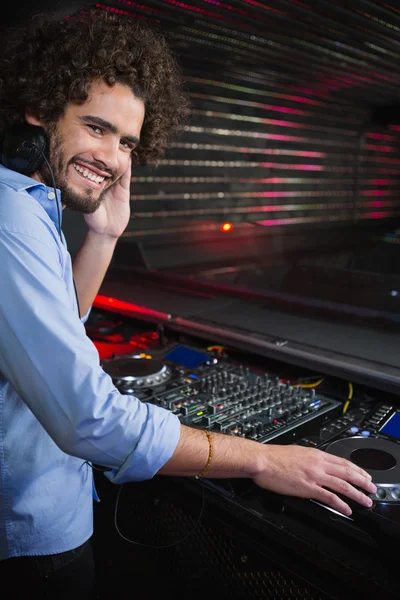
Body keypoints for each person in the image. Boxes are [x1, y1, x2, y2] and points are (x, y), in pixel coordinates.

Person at [0, 9, 376, 599]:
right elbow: (87, 419)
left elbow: (49, 339)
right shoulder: (11, 218)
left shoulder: (30, 203)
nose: (114, 158)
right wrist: (260, 459)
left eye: (127, 142)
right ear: (39, 109)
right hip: (28, 538)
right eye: (96, 128)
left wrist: (103, 236)